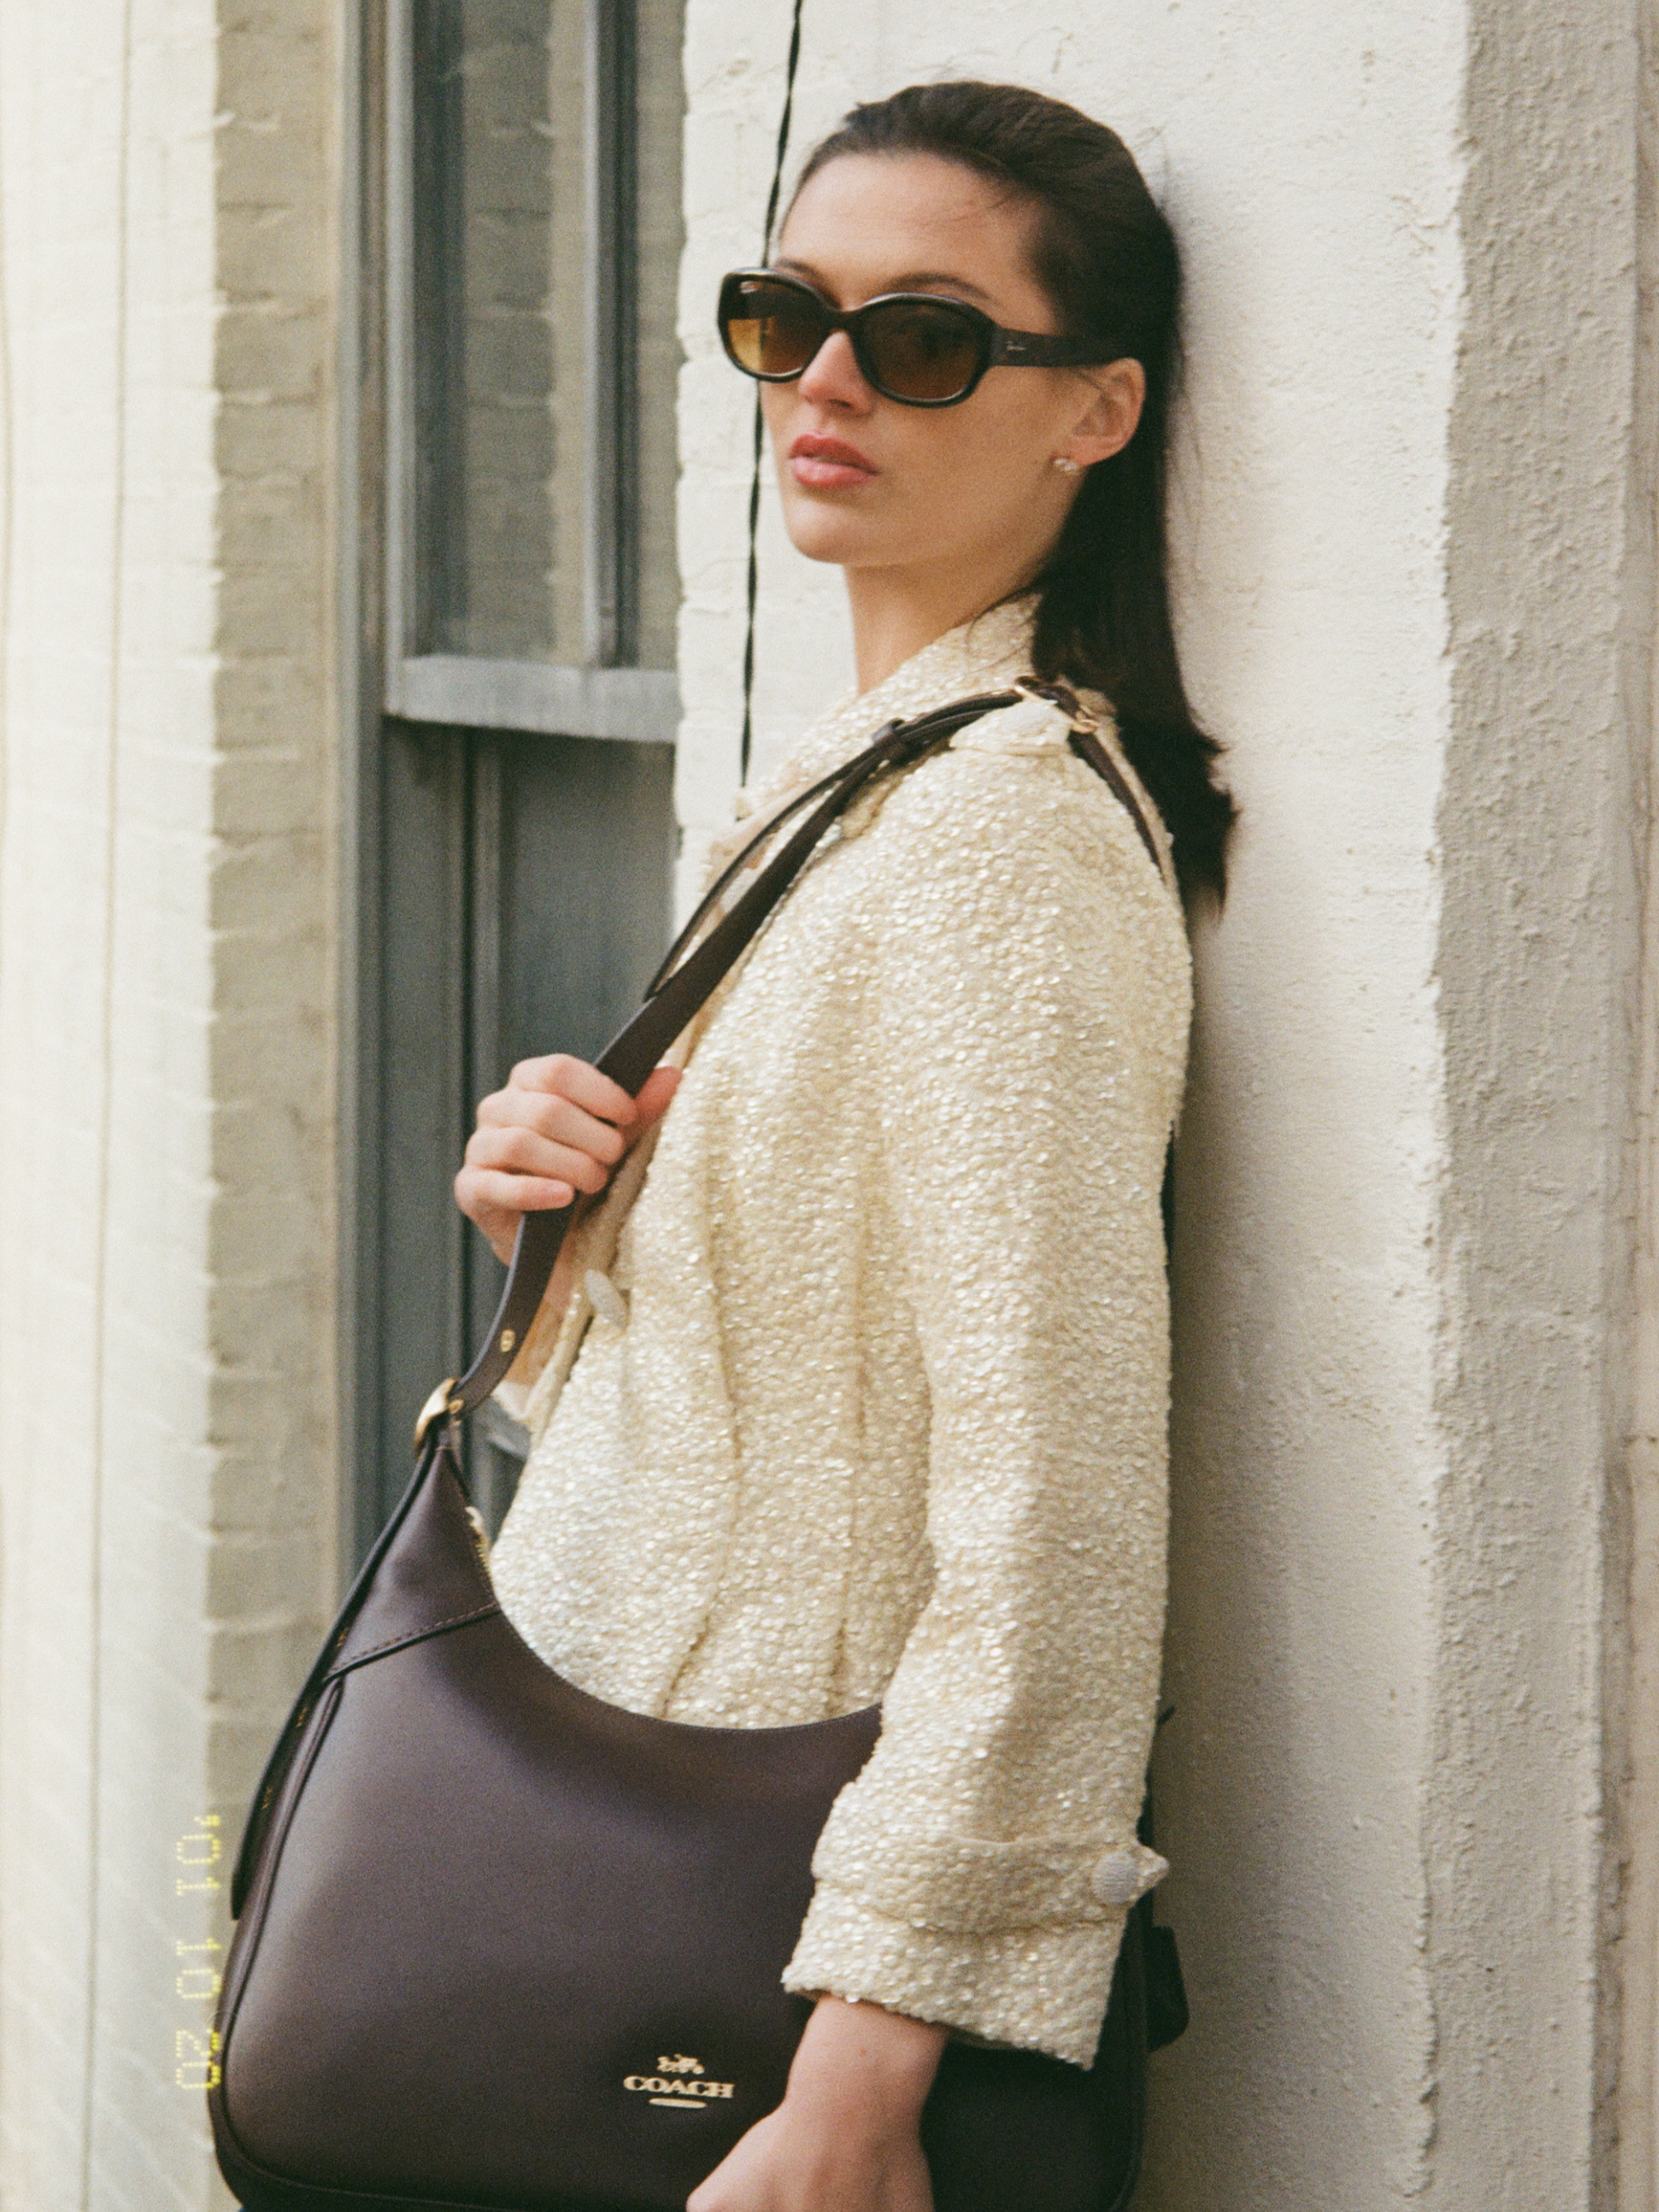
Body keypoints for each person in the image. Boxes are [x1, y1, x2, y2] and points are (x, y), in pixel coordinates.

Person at [455, 79, 1233, 2212]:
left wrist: (868, 2068)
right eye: (785, 315)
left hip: (761, 1970)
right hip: (622, 1829)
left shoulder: (995, 840)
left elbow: (1059, 1508)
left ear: (1095, 411)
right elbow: (777, 1397)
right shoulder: (860, 789)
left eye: (924, 337)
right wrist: (567, 1221)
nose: (827, 381)